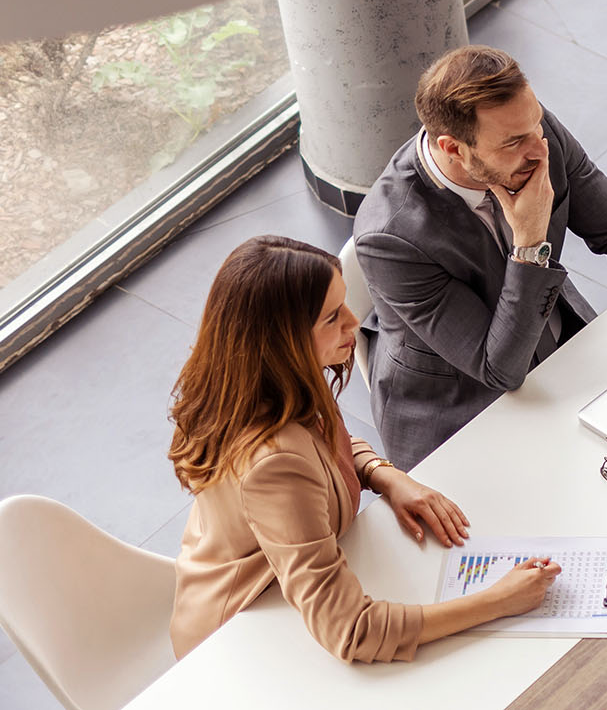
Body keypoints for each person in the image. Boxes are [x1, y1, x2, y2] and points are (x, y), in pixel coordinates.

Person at [168, 236, 559, 660]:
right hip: (240, 643)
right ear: (283, 340)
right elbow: (354, 631)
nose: (354, 322)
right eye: (333, 317)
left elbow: (325, 447)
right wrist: (499, 600)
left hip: (281, 596)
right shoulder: (273, 463)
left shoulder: (265, 382)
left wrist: (383, 474)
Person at [354, 45, 607, 470]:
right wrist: (529, 243)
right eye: (514, 142)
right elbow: (498, 368)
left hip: (555, 340)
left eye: (536, 124)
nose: (538, 150)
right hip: (461, 409)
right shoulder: (389, 237)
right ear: (453, 148)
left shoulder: (530, 135)